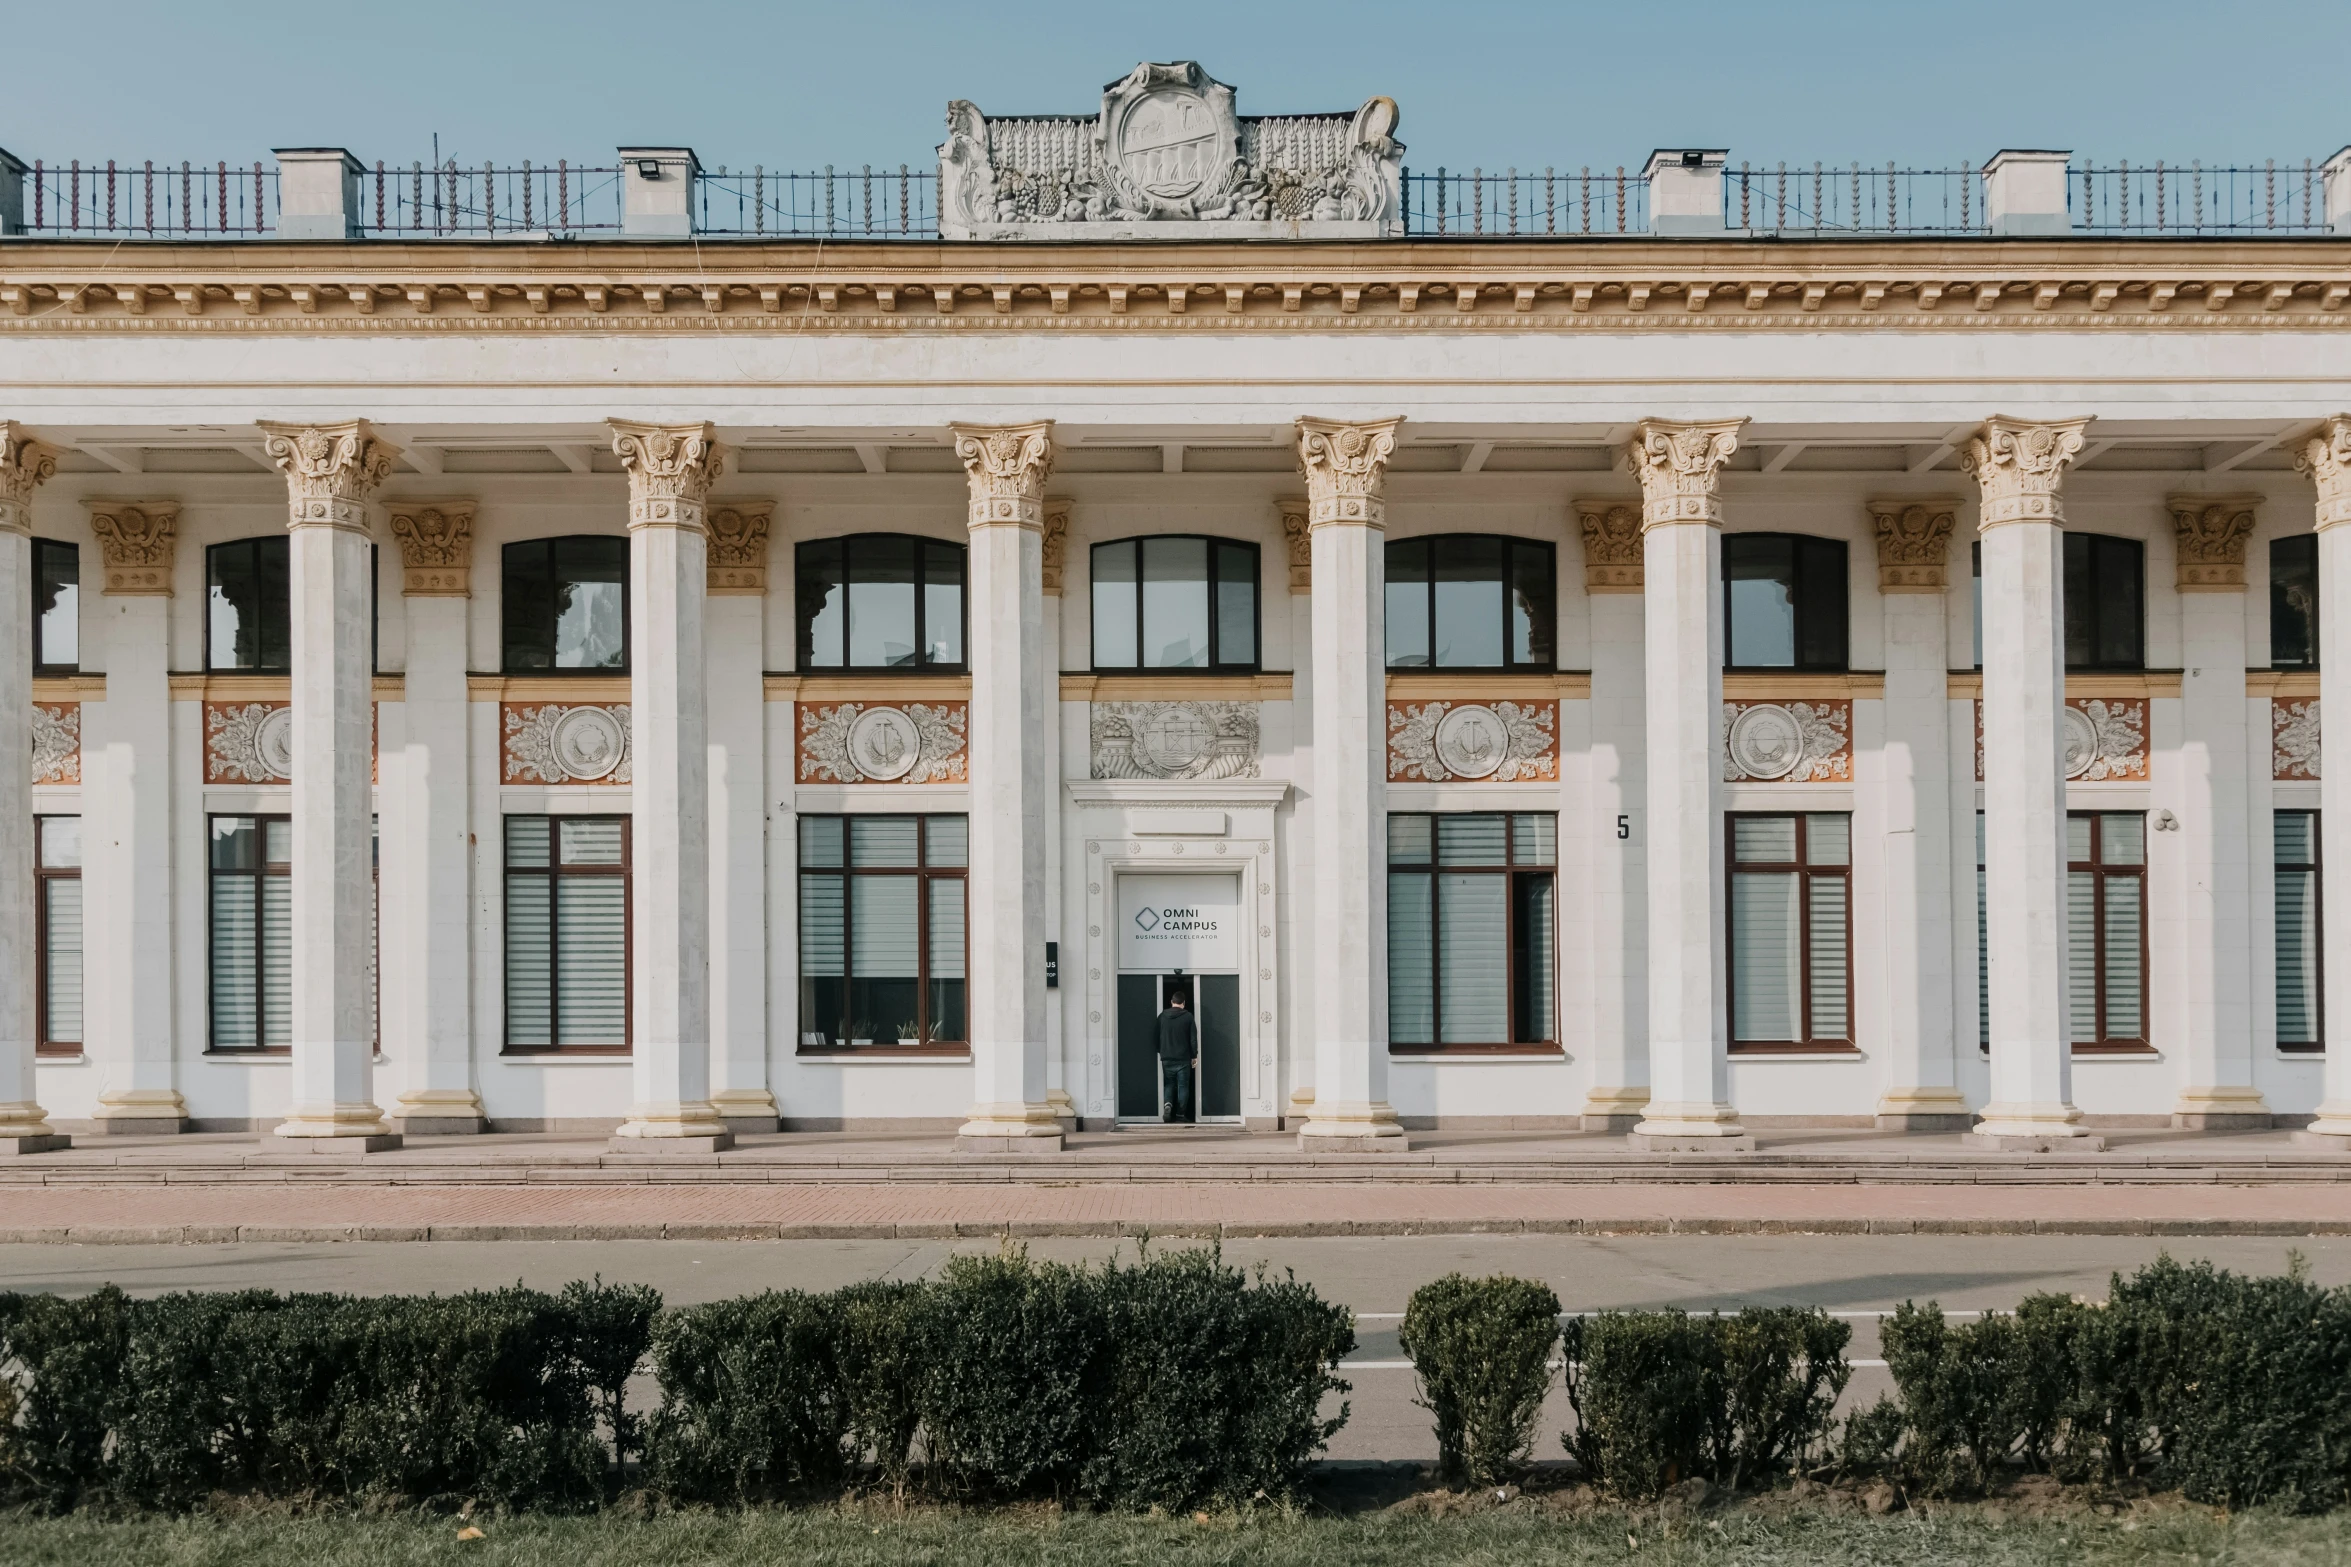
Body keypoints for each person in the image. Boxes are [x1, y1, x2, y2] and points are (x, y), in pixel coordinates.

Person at [1155, 986, 1199, 1124]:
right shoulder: (1188, 1016)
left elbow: (1156, 1036)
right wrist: (1194, 1055)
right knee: (1183, 1086)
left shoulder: (1162, 1016)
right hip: (1183, 1058)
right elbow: (1193, 1038)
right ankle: (1180, 1115)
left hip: (1167, 1057)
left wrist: (1160, 1050)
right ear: (1184, 1003)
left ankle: (1168, 1105)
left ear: (1171, 1001)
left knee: (1169, 1084)